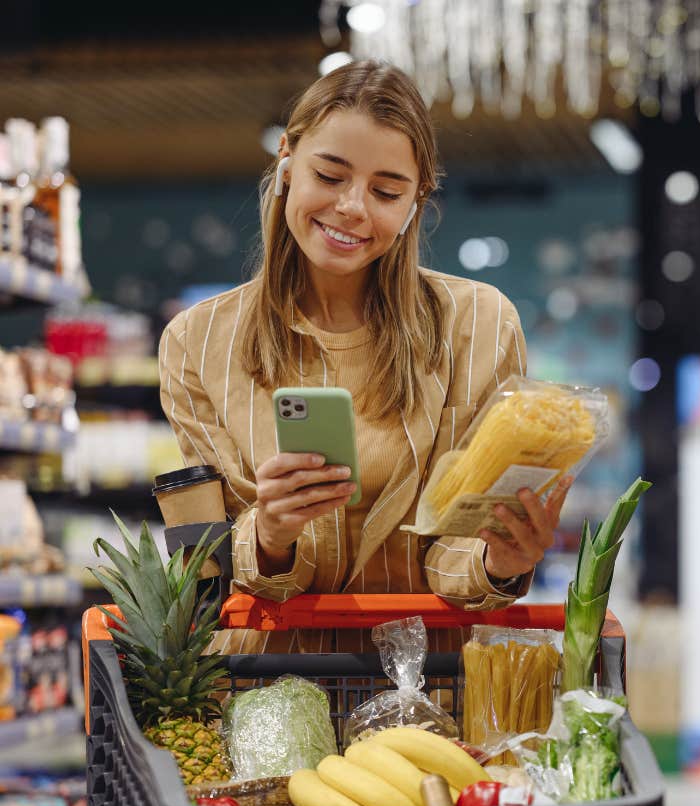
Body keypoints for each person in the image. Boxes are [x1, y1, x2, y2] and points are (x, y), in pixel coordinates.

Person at [158, 60, 573, 654]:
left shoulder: (480, 326)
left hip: (427, 684)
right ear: (286, 159)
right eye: (330, 175)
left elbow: (456, 548)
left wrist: (498, 558)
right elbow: (205, 565)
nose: (353, 207)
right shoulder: (197, 342)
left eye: (386, 192)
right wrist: (270, 534)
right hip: (264, 684)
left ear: (416, 201)